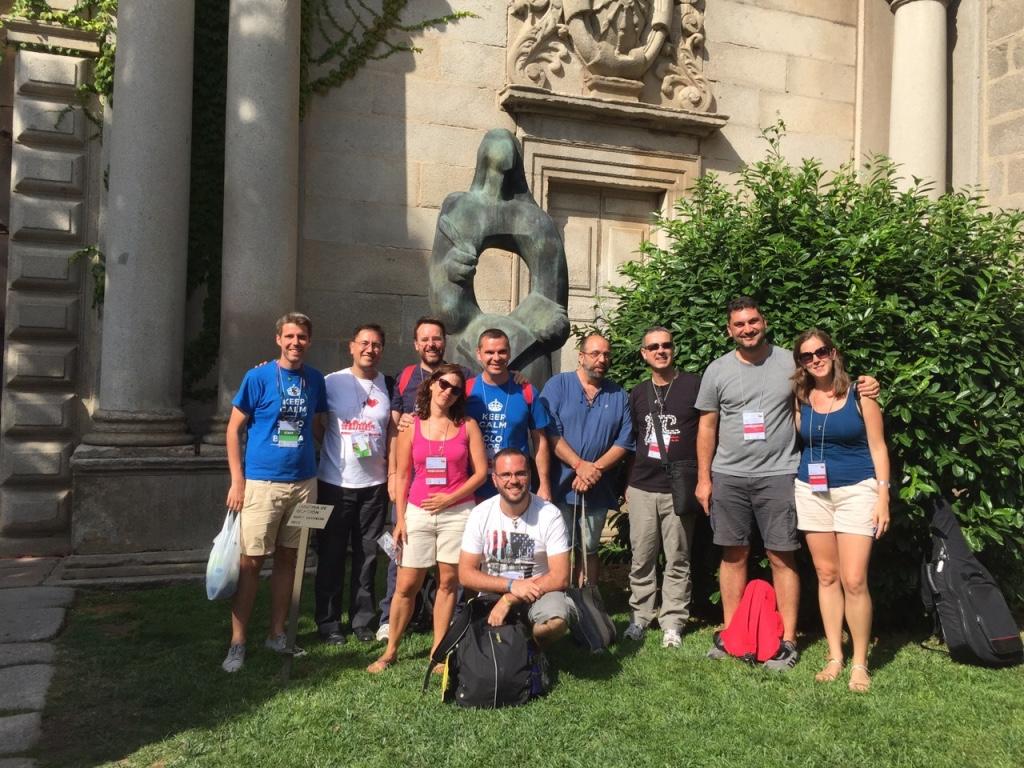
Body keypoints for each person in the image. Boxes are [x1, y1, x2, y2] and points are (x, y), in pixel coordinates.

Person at [694, 297, 879, 671]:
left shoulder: (791, 362)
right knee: (733, 555)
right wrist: (704, 478)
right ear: (729, 330)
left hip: (780, 473)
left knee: (782, 555)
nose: (747, 328)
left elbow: (828, 381)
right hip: (729, 475)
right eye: (739, 324)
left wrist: (867, 384)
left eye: (753, 321)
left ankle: (788, 641)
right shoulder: (716, 370)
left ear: (764, 322)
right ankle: (732, 634)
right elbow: (707, 426)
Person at [221, 312, 328, 673]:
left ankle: (278, 633)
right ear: (278, 339)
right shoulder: (258, 377)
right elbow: (234, 429)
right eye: (290, 336)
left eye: (302, 337)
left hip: (303, 484)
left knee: (289, 560)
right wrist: (238, 480)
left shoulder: (315, 381)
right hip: (262, 483)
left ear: (309, 342)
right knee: (251, 562)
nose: (295, 343)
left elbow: (318, 426)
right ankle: (238, 641)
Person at [368, 364, 488, 673]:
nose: (448, 391)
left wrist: (451, 497)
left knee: (448, 583)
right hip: (418, 513)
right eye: (444, 384)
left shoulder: (468, 425)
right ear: (432, 384)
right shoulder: (412, 427)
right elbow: (403, 476)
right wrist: (401, 520)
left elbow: (481, 473)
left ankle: (438, 651)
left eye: (456, 388)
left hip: (457, 513)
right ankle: (391, 649)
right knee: (407, 584)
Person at [792, 329, 890, 692]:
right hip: (812, 491)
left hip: (857, 491)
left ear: (834, 352)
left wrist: (883, 497)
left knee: (854, 579)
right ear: (800, 363)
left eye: (821, 351)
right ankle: (835, 655)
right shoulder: (800, 396)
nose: (815, 359)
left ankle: (860, 661)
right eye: (806, 355)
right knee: (826, 575)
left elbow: (879, 449)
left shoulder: (862, 395)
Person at [377, 317, 472, 642]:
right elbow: (393, 428)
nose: (431, 344)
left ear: (444, 342)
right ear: (416, 344)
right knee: (401, 565)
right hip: (413, 492)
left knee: (449, 577)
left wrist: (517, 376)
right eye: (425, 339)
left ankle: (444, 633)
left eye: (437, 339)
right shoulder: (403, 378)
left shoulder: (462, 376)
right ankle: (389, 622)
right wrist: (391, 474)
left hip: (453, 503)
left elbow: (491, 380)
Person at [314, 324, 395, 645]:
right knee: (331, 554)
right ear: (351, 347)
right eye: (364, 343)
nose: (370, 349)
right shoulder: (331, 382)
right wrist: (335, 452)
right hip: (334, 483)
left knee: (368, 556)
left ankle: (362, 619)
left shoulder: (388, 384)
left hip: (374, 486)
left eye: (376, 344)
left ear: (382, 349)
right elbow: (316, 424)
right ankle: (329, 621)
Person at [622, 327, 701, 649]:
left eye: (666, 345)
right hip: (642, 486)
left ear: (674, 349)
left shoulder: (694, 386)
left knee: (678, 557)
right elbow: (631, 440)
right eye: (653, 346)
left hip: (680, 487)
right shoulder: (638, 393)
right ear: (644, 353)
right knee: (641, 556)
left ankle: (672, 622)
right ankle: (640, 616)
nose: (661, 351)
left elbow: (711, 431)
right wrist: (626, 485)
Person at [540, 333, 632, 587]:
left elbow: (623, 442)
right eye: (595, 354)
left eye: (606, 355)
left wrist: (593, 471)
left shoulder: (618, 395)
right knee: (558, 547)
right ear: (581, 357)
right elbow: (550, 432)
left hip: (597, 487)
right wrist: (580, 466)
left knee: (589, 548)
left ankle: (588, 602)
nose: (601, 359)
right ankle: (556, 598)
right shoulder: (558, 385)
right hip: (560, 485)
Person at [458, 448, 572, 647]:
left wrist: (510, 598)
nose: (514, 480)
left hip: (539, 594)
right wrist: (511, 586)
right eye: (506, 475)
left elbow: (561, 576)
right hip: (492, 595)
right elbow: (465, 574)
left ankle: (536, 645)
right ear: (494, 479)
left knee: (556, 622)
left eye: (520, 473)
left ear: (529, 475)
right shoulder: (480, 514)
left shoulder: (549, 514)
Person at [465, 328, 552, 500]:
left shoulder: (526, 391)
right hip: (473, 487)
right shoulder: (466, 391)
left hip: (515, 486)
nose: (496, 358)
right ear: (479, 354)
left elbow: (540, 440)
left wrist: (544, 484)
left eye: (502, 352)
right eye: (489, 352)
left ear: (510, 353)